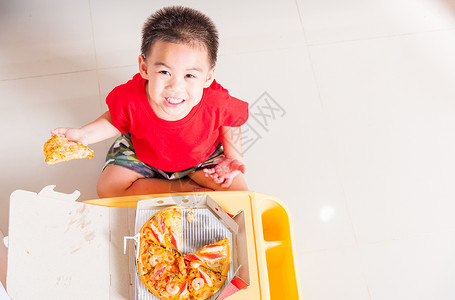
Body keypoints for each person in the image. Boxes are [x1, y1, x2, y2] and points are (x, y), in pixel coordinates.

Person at [51, 6, 249, 197]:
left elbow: (231, 122)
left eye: (189, 75)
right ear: (144, 67)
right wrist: (84, 134)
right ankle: (183, 189)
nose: (175, 87)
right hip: (144, 155)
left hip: (201, 158)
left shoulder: (216, 100)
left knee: (238, 193)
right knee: (108, 188)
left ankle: (190, 179)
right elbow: (113, 120)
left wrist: (233, 158)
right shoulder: (131, 96)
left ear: (208, 76)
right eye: (165, 72)